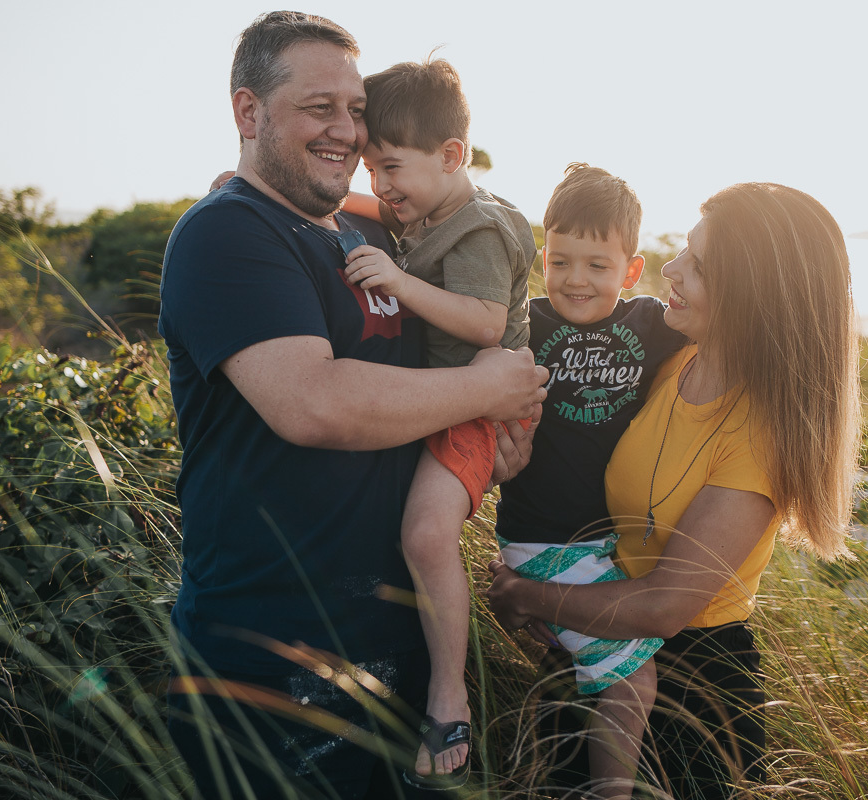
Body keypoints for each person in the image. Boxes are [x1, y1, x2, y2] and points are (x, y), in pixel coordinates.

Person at [157, 12, 547, 799]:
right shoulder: (227, 233)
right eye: (318, 108)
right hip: (272, 660)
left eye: (355, 109)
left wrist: (495, 444)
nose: (346, 130)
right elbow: (316, 404)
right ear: (248, 112)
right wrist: (490, 388)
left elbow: (442, 233)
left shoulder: (360, 234)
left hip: (397, 644)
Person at [488, 182, 862, 799]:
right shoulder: (669, 359)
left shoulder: (760, 433)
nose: (672, 269)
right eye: (685, 250)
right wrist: (508, 463)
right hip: (594, 641)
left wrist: (526, 594)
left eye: (700, 266)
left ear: (754, 295)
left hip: (691, 696)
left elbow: (665, 605)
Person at [334, 57, 536, 788]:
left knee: (424, 534)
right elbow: (369, 207)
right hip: (447, 399)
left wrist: (399, 281)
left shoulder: (478, 229)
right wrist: (253, 184)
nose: (381, 184)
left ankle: (449, 696)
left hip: (478, 406)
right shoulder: (428, 205)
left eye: (390, 167)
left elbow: (485, 324)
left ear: (452, 156)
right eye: (371, 167)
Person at [493, 163, 687, 799]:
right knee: (633, 681)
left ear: (631, 271)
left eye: (597, 265)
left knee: (578, 683)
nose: (575, 279)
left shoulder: (649, 323)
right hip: (545, 538)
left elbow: (731, 317)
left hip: (602, 545)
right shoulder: (524, 323)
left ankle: (538, 774)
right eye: (560, 261)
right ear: (542, 258)